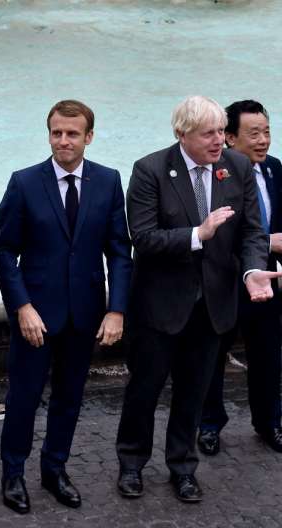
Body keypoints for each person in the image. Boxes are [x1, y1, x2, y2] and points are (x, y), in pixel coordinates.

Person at [115, 95, 281, 503]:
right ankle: (132, 465)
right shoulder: (150, 170)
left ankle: (183, 468)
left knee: (193, 392)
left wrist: (251, 270)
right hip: (159, 307)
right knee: (145, 390)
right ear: (181, 134)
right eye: (208, 134)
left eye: (221, 132)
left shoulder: (237, 167)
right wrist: (197, 235)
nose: (218, 142)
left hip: (213, 306)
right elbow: (143, 237)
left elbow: (252, 233)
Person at [0, 100, 132, 513]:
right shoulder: (24, 182)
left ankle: (55, 469)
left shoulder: (108, 181)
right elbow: (4, 251)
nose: (63, 140)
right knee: (23, 397)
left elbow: (119, 252)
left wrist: (116, 309)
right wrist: (21, 306)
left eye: (72, 133)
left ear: (89, 137)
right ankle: (12, 474)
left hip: (85, 314)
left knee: (70, 398)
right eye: (57, 132)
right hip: (35, 315)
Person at [197, 100, 282, 455]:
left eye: (266, 132)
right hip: (226, 279)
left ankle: (269, 423)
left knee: (268, 356)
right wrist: (266, 241)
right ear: (230, 138)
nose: (263, 141)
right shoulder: (216, 174)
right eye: (253, 134)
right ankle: (209, 425)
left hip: (268, 280)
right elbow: (220, 231)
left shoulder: (275, 169)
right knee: (213, 356)